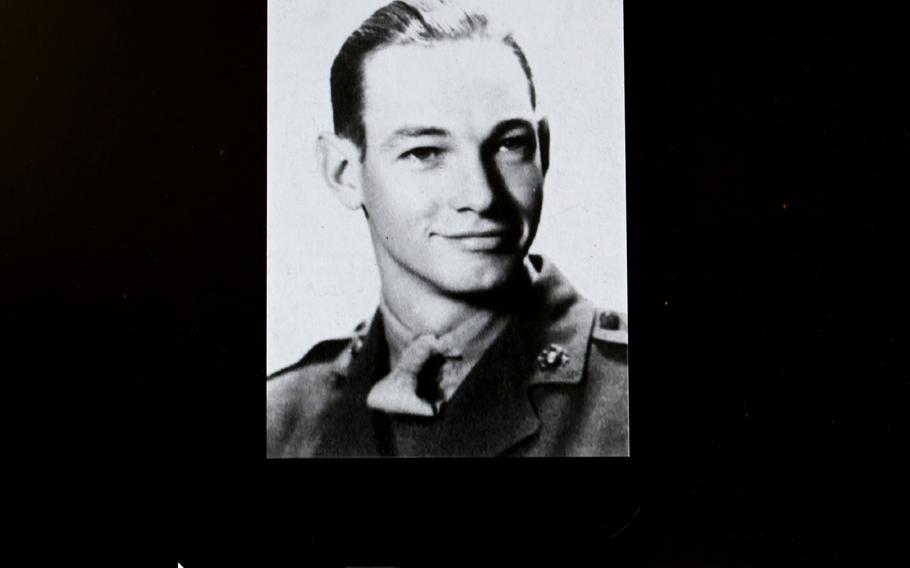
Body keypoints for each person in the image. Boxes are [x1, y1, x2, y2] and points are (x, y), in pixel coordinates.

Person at [267, 0, 628, 457]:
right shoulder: (279, 419)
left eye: (510, 144)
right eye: (425, 153)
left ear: (545, 149)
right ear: (343, 172)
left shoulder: (625, 396)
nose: (481, 196)